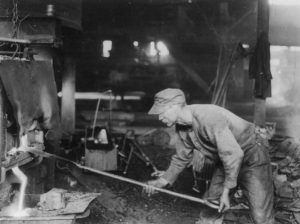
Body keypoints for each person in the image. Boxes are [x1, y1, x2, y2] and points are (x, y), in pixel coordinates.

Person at [145, 88, 274, 224]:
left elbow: (234, 154)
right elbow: (182, 158)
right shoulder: (181, 127)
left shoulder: (208, 117)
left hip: (252, 155)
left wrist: (226, 193)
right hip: (225, 160)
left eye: (162, 112)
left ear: (176, 106)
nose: (160, 117)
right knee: (212, 205)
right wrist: (162, 181)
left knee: (260, 215)